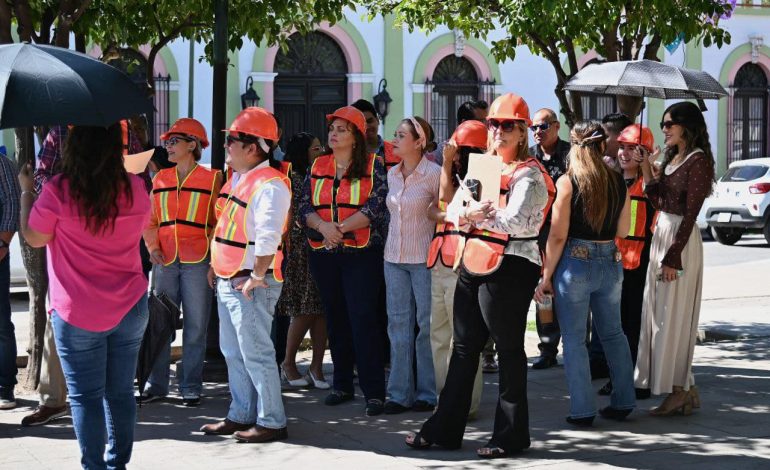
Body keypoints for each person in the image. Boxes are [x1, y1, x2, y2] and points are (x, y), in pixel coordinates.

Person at [406, 93, 550, 459]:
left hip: (513, 265)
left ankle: (511, 435)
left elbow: (517, 222)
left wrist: (477, 216)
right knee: (464, 348)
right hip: (474, 259)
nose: (498, 132)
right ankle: (444, 429)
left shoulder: (531, 174)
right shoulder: (484, 167)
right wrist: (471, 215)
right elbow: (454, 210)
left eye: (507, 126)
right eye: (494, 124)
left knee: (509, 350)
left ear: (522, 132)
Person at [19, 124, 151, 468]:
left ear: (71, 151)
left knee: (86, 398)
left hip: (78, 313)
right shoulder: (135, 187)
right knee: (120, 394)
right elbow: (141, 227)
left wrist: (25, 195)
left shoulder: (58, 191)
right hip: (130, 307)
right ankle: (117, 465)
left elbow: (33, 237)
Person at [534, 120, 635, 427]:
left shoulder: (568, 181)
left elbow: (557, 236)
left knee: (575, 341)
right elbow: (622, 230)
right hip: (610, 259)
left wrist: (546, 275)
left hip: (575, 261)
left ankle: (582, 409)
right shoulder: (618, 181)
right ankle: (624, 400)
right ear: (602, 145)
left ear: (574, 147)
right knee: (614, 334)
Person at [200, 107, 291, 443]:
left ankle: (272, 420)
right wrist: (216, 265)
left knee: (256, 352)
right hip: (230, 277)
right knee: (233, 351)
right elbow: (228, 226)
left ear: (253, 147)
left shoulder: (270, 185)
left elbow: (268, 236)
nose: (227, 146)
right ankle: (241, 414)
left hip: (250, 281)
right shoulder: (239, 178)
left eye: (233, 140)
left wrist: (256, 275)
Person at [299, 106, 389, 417]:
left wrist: (341, 228)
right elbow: (303, 204)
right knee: (335, 318)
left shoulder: (374, 164)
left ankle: (374, 391)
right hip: (324, 251)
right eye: (332, 128)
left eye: (341, 129)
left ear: (356, 137)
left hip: (362, 253)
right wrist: (323, 227)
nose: (333, 134)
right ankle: (341, 384)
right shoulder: (318, 165)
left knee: (363, 319)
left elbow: (378, 203)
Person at [635, 101, 714, 416]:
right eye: (664, 123)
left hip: (679, 243)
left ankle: (679, 390)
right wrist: (646, 170)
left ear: (687, 126)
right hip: (664, 235)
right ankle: (686, 387)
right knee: (657, 314)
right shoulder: (671, 158)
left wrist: (672, 258)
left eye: (670, 123)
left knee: (673, 319)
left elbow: (691, 214)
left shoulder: (698, 161)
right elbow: (658, 201)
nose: (664, 129)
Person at [140, 118, 222, 406]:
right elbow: (149, 220)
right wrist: (151, 246)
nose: (168, 146)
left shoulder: (213, 179)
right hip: (164, 260)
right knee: (159, 323)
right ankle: (156, 385)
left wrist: (215, 259)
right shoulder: (160, 179)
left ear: (192, 144)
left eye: (174, 141)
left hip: (199, 260)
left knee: (196, 326)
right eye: (168, 142)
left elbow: (219, 222)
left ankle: (191, 386)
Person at [426, 119, 487, 418]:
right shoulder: (454, 174)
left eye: (457, 150)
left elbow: (446, 207)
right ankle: (446, 399)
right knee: (438, 336)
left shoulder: (485, 173)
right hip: (440, 260)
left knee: (462, 340)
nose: (451, 154)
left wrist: (444, 211)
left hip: (462, 263)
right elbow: (438, 206)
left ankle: (465, 403)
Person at [383, 116, 440, 414]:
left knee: (426, 326)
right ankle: (398, 394)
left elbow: (444, 210)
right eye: (395, 134)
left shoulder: (434, 173)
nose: (394, 139)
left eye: (401, 135)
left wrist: (436, 211)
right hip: (393, 257)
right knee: (398, 325)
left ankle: (428, 393)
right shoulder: (392, 174)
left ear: (419, 142)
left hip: (423, 259)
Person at [596, 125, 656, 400]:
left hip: (641, 262)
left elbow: (658, 204)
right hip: (613, 259)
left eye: (633, 148)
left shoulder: (651, 182)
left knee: (634, 323)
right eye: (622, 147)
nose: (625, 153)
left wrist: (647, 169)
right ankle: (617, 377)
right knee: (614, 324)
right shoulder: (614, 180)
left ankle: (636, 378)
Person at [275, 132, 329, 389]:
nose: (321, 152)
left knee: (321, 310)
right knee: (306, 308)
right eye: (316, 148)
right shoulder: (294, 179)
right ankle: (288, 363)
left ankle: (316, 368)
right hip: (302, 248)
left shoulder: (317, 175)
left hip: (321, 245)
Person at [528, 108, 571, 370]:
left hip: (564, 232)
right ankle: (547, 347)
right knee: (543, 292)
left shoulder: (570, 155)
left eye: (542, 126)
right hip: (537, 234)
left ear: (556, 126)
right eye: (534, 127)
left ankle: (575, 346)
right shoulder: (530, 156)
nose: (537, 132)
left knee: (568, 291)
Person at [0, 146, 20, 410]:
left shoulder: (2, 164)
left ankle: (5, 387)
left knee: (1, 325)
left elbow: (12, 201)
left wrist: (2, 243)